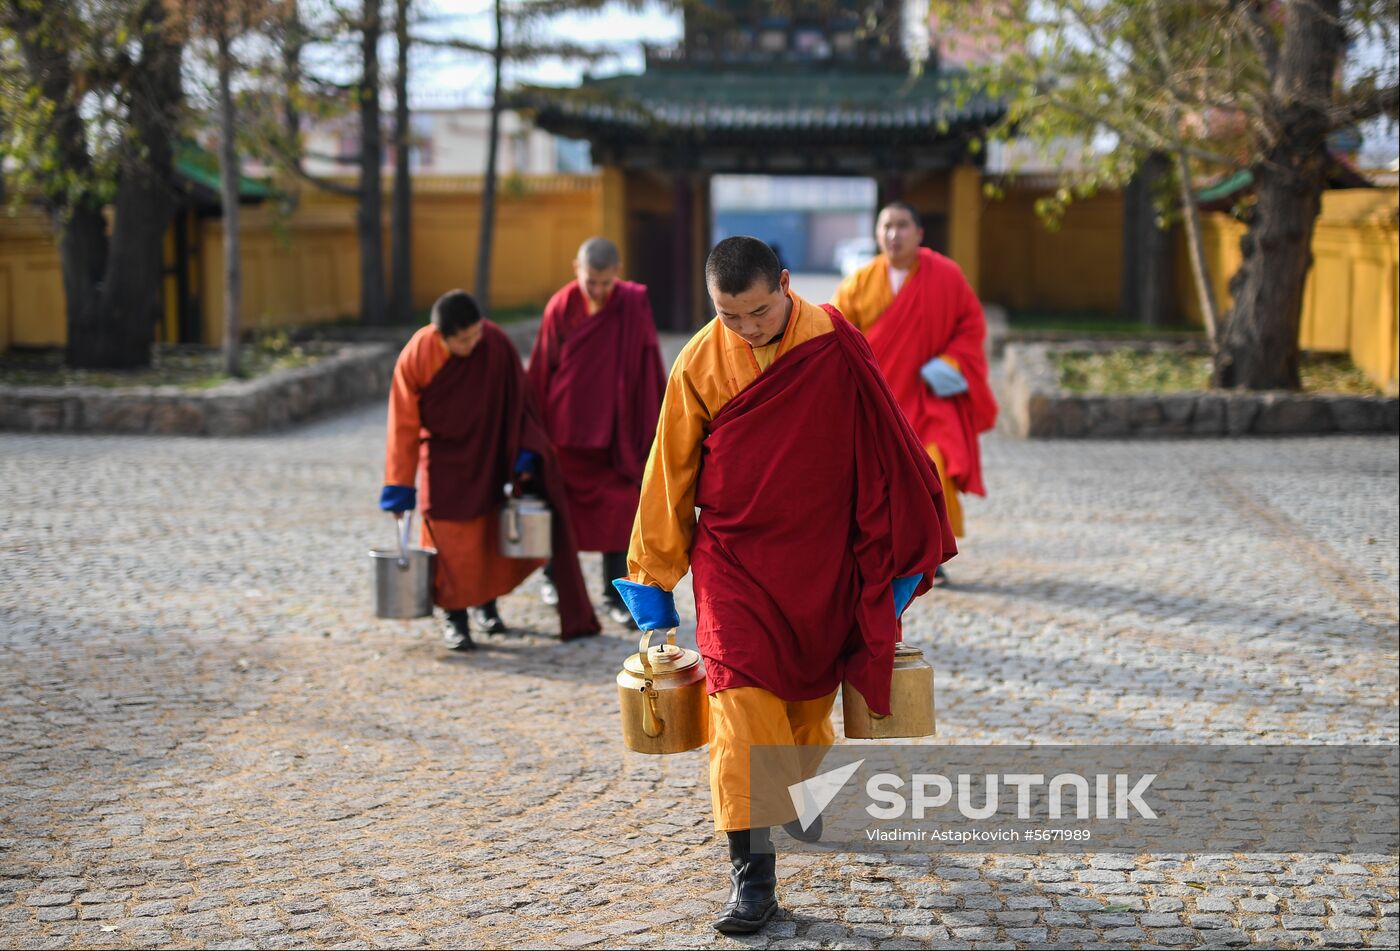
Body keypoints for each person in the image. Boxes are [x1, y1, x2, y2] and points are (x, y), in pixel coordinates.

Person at [611, 237, 955, 934]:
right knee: (740, 707)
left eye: (758, 313)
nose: (745, 329)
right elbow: (668, 474)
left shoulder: (834, 340)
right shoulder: (699, 360)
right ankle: (752, 874)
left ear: (787, 285)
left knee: (803, 707)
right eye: (728, 315)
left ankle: (799, 790)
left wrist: (896, 562)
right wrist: (654, 583)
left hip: (823, 559)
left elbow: (886, 447)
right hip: (733, 561)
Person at [379, 290, 600, 649]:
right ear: (441, 335)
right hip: (444, 460)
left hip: (491, 454)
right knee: (448, 541)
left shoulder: (494, 342)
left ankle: (486, 606)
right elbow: (402, 424)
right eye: (463, 340)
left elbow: (522, 401)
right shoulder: (418, 354)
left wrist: (525, 452)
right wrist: (399, 485)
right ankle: (455, 619)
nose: (473, 343)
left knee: (486, 538)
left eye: (476, 334)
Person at [831, 202, 997, 585]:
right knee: (878, 479)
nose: (894, 234)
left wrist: (951, 364)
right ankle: (887, 550)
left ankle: (932, 552)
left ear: (919, 233)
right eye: (886, 226)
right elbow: (835, 333)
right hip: (878, 402)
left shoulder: (946, 276)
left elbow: (970, 327)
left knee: (933, 465)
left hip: (927, 397)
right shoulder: (860, 282)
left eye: (902, 226)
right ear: (876, 235)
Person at [527, 237, 665, 628]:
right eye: (592, 282)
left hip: (616, 435)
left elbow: (647, 363)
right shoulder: (561, 305)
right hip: (566, 431)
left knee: (619, 512)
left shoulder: (633, 303)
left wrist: (652, 423)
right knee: (560, 509)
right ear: (577, 269)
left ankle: (614, 592)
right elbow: (542, 368)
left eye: (605, 283)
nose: (599, 291)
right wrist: (535, 432)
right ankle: (554, 578)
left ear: (617, 275)